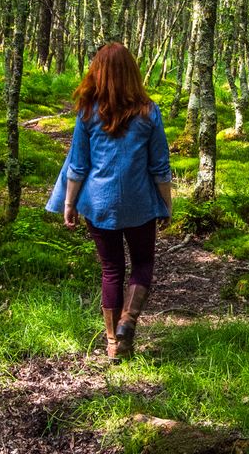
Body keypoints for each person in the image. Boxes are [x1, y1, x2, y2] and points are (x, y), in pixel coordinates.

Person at [45, 43, 172, 362]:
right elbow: (160, 166)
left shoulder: (88, 112)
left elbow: (78, 164)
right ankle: (129, 320)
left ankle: (114, 345)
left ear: (98, 72)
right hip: (140, 203)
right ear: (132, 72)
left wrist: (69, 204)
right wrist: (166, 204)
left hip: (99, 204)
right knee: (142, 263)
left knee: (111, 269)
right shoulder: (148, 111)